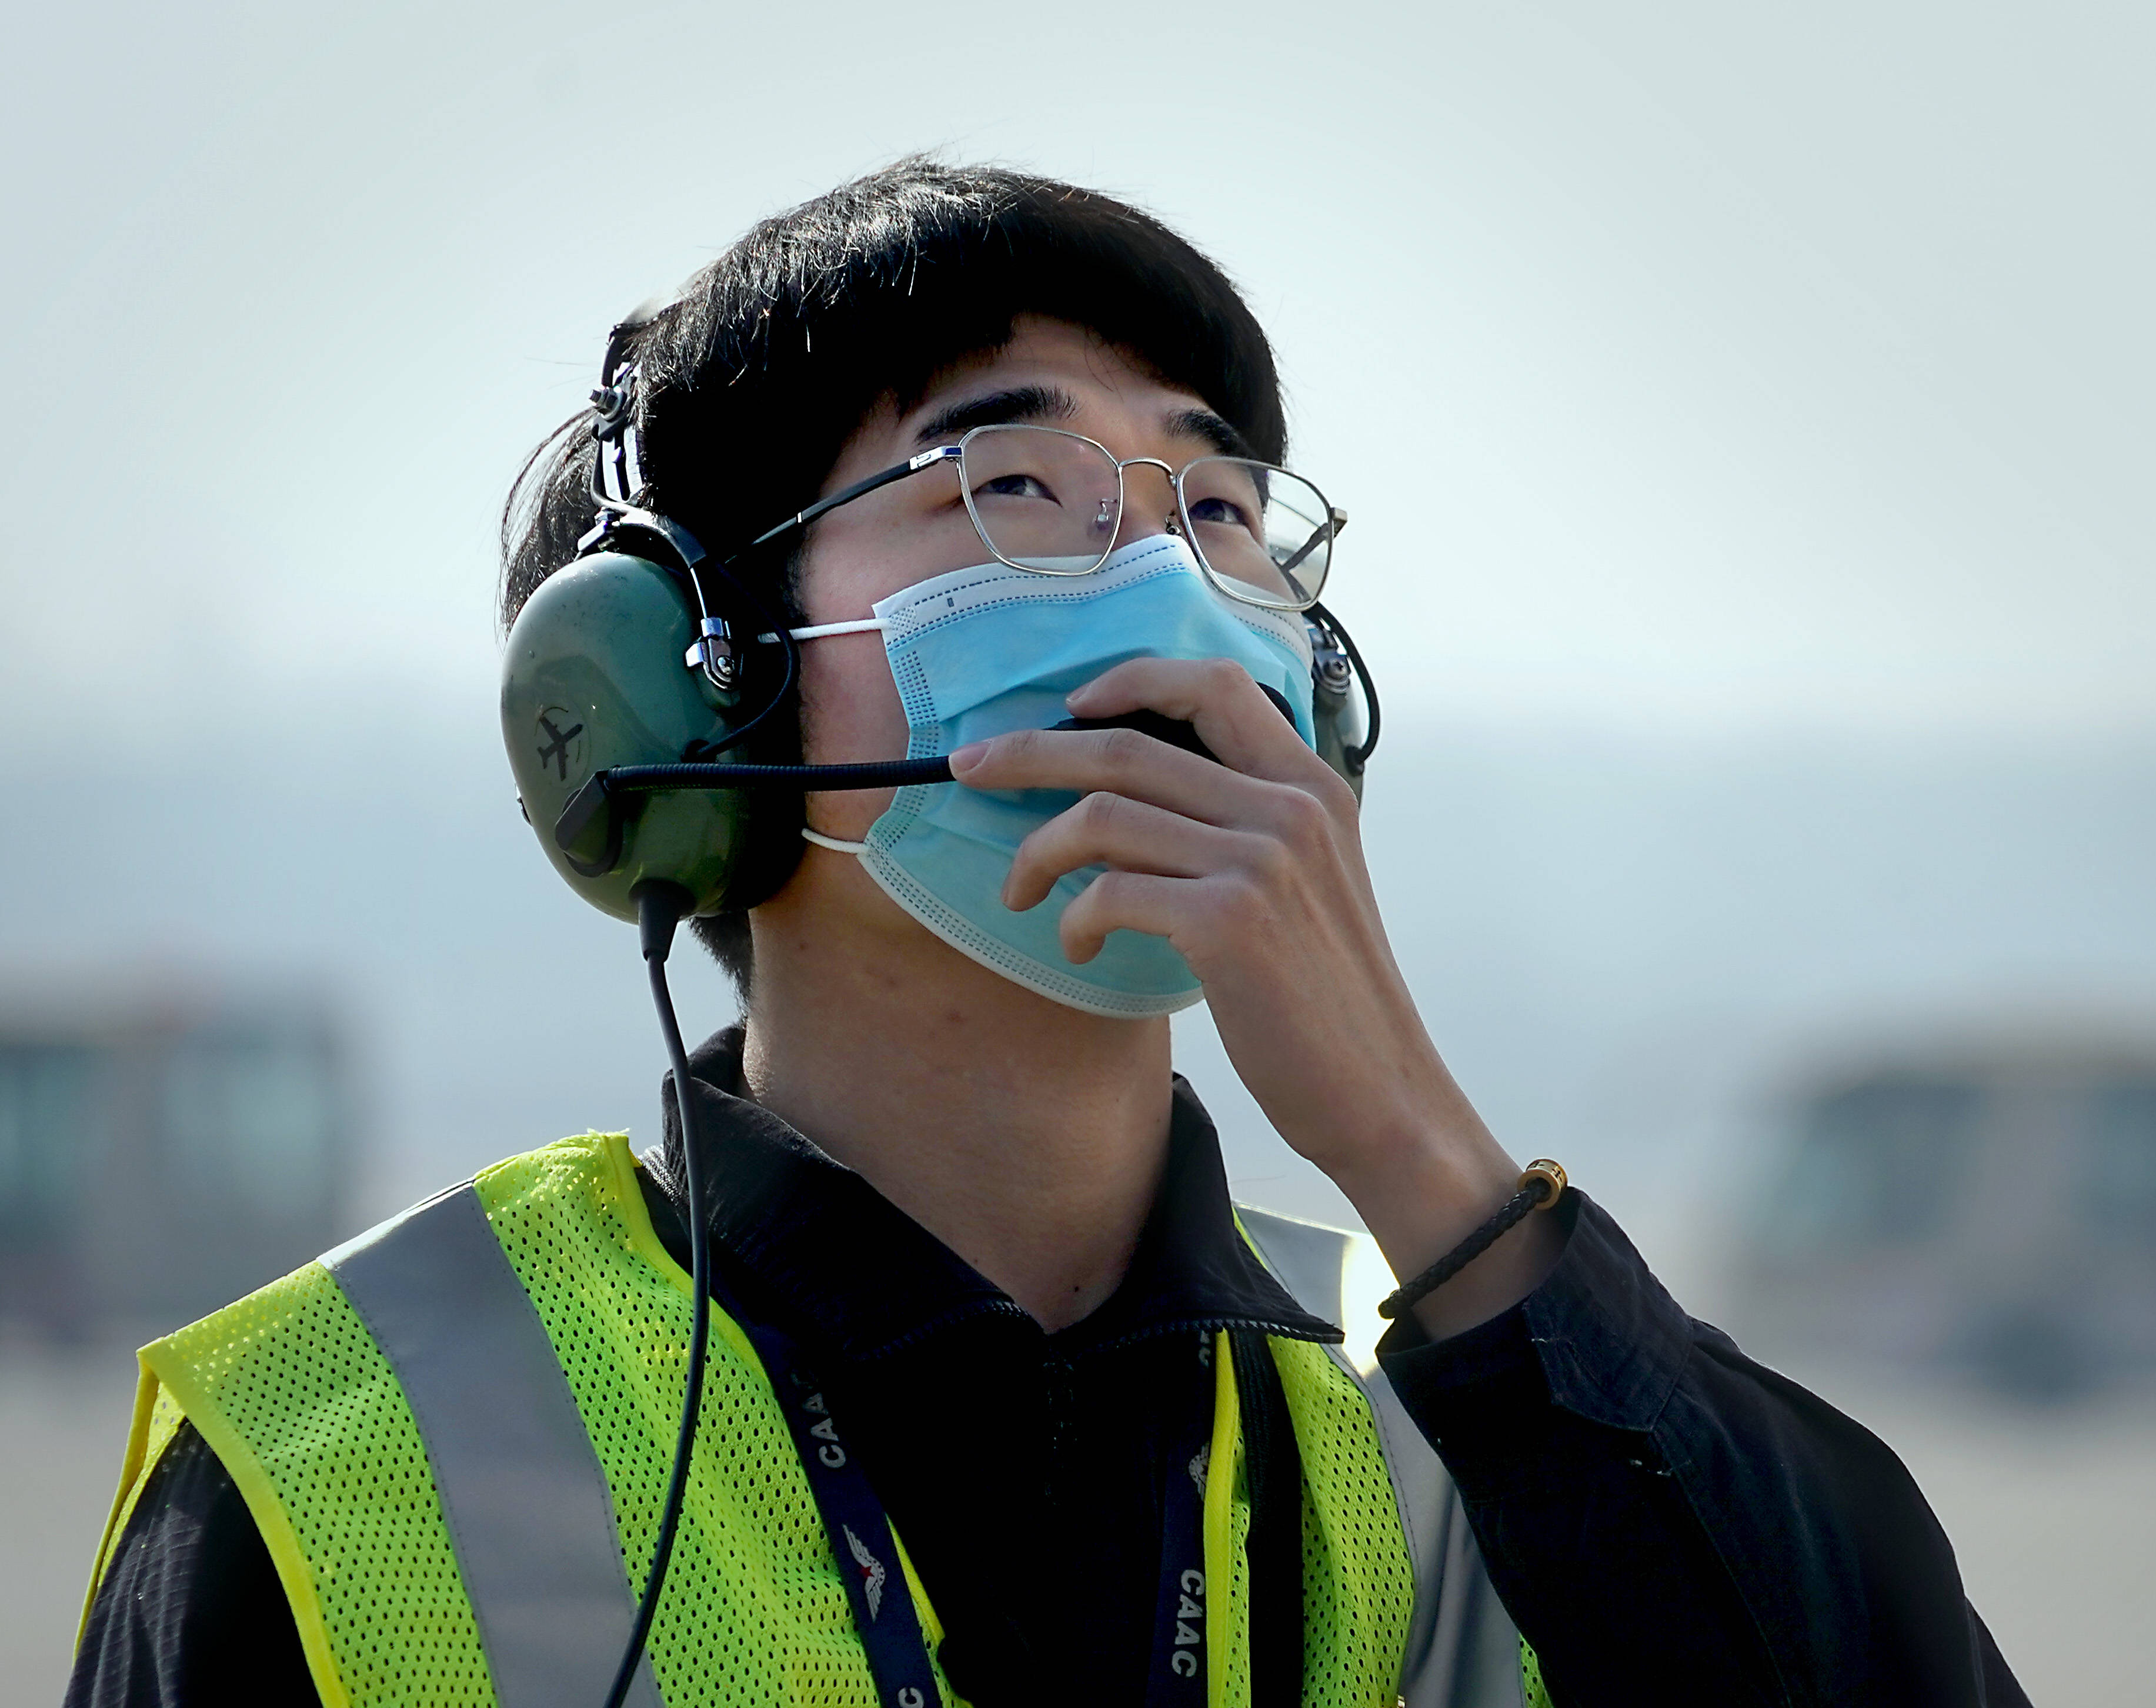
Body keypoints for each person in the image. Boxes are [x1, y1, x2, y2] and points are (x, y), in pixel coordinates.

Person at [66, 159, 2028, 1708]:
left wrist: (1426, 1163)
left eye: (1227, 505)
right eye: (1011, 483)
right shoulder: (351, 1452)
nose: (1171, 584)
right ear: (696, 693)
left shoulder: (1487, 1415)